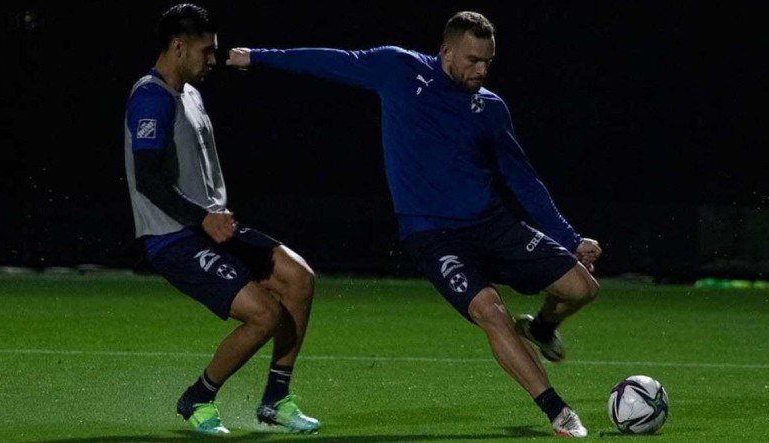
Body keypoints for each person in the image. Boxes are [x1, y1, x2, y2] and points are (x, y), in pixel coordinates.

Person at [226, 10, 602, 437]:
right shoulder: (399, 69)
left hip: (491, 223)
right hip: (434, 235)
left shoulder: (490, 108)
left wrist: (570, 239)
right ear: (445, 51)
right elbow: (333, 62)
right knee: (490, 312)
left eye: (488, 62)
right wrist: (258, 57)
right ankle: (558, 412)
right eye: (473, 60)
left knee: (582, 288)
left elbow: (524, 179)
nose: (482, 69)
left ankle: (541, 327)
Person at [123, 3, 319, 435]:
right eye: (206, 51)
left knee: (299, 280)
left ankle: (275, 401)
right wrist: (202, 218)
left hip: (211, 227)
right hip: (173, 236)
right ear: (178, 47)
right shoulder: (151, 97)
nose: (213, 60)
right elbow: (148, 179)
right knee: (265, 315)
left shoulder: (190, 92)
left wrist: (213, 216)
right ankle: (199, 397)